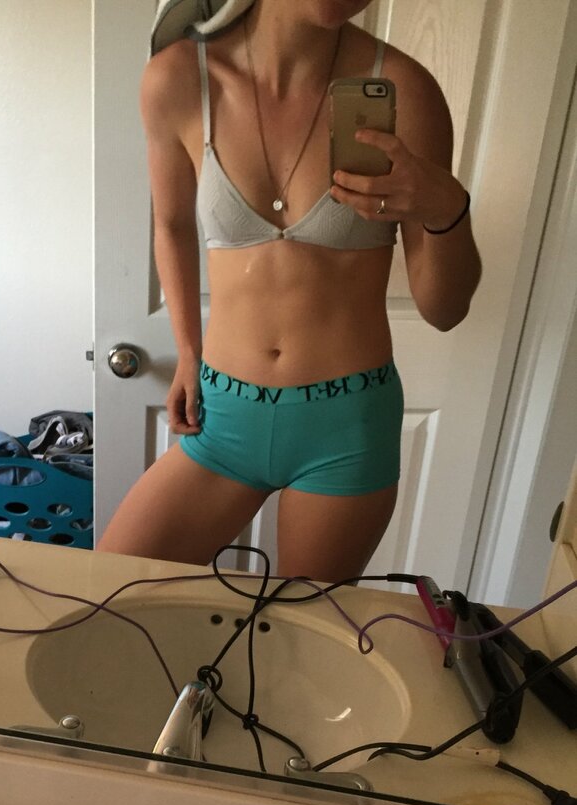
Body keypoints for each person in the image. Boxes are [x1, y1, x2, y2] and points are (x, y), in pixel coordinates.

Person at [97, 0, 481, 581]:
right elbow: (171, 225)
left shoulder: (405, 91)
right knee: (107, 594)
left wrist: (446, 206)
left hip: (345, 427)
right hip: (222, 417)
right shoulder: (178, 79)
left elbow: (444, 310)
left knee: (301, 629)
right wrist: (188, 352)